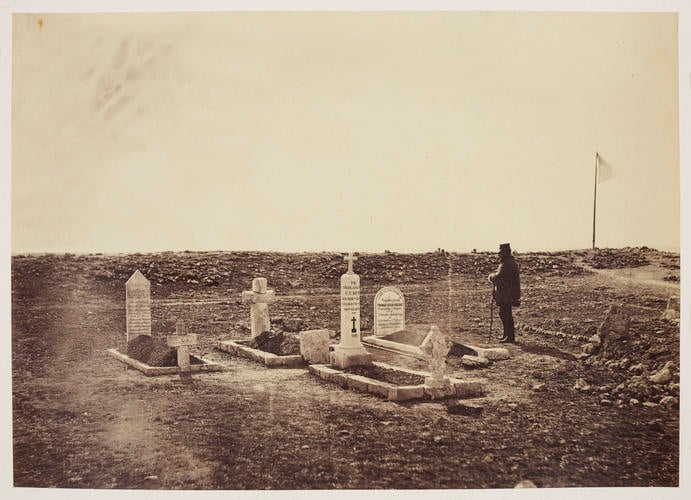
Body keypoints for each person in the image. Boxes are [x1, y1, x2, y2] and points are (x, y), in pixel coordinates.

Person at [488, 243, 521, 343]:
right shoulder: (508, 262)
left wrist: (491, 276)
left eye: (501, 253)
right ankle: (507, 335)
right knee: (505, 314)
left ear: (505, 253)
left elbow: (498, 277)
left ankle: (509, 337)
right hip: (507, 294)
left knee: (505, 314)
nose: (499, 255)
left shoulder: (507, 263)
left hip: (507, 295)